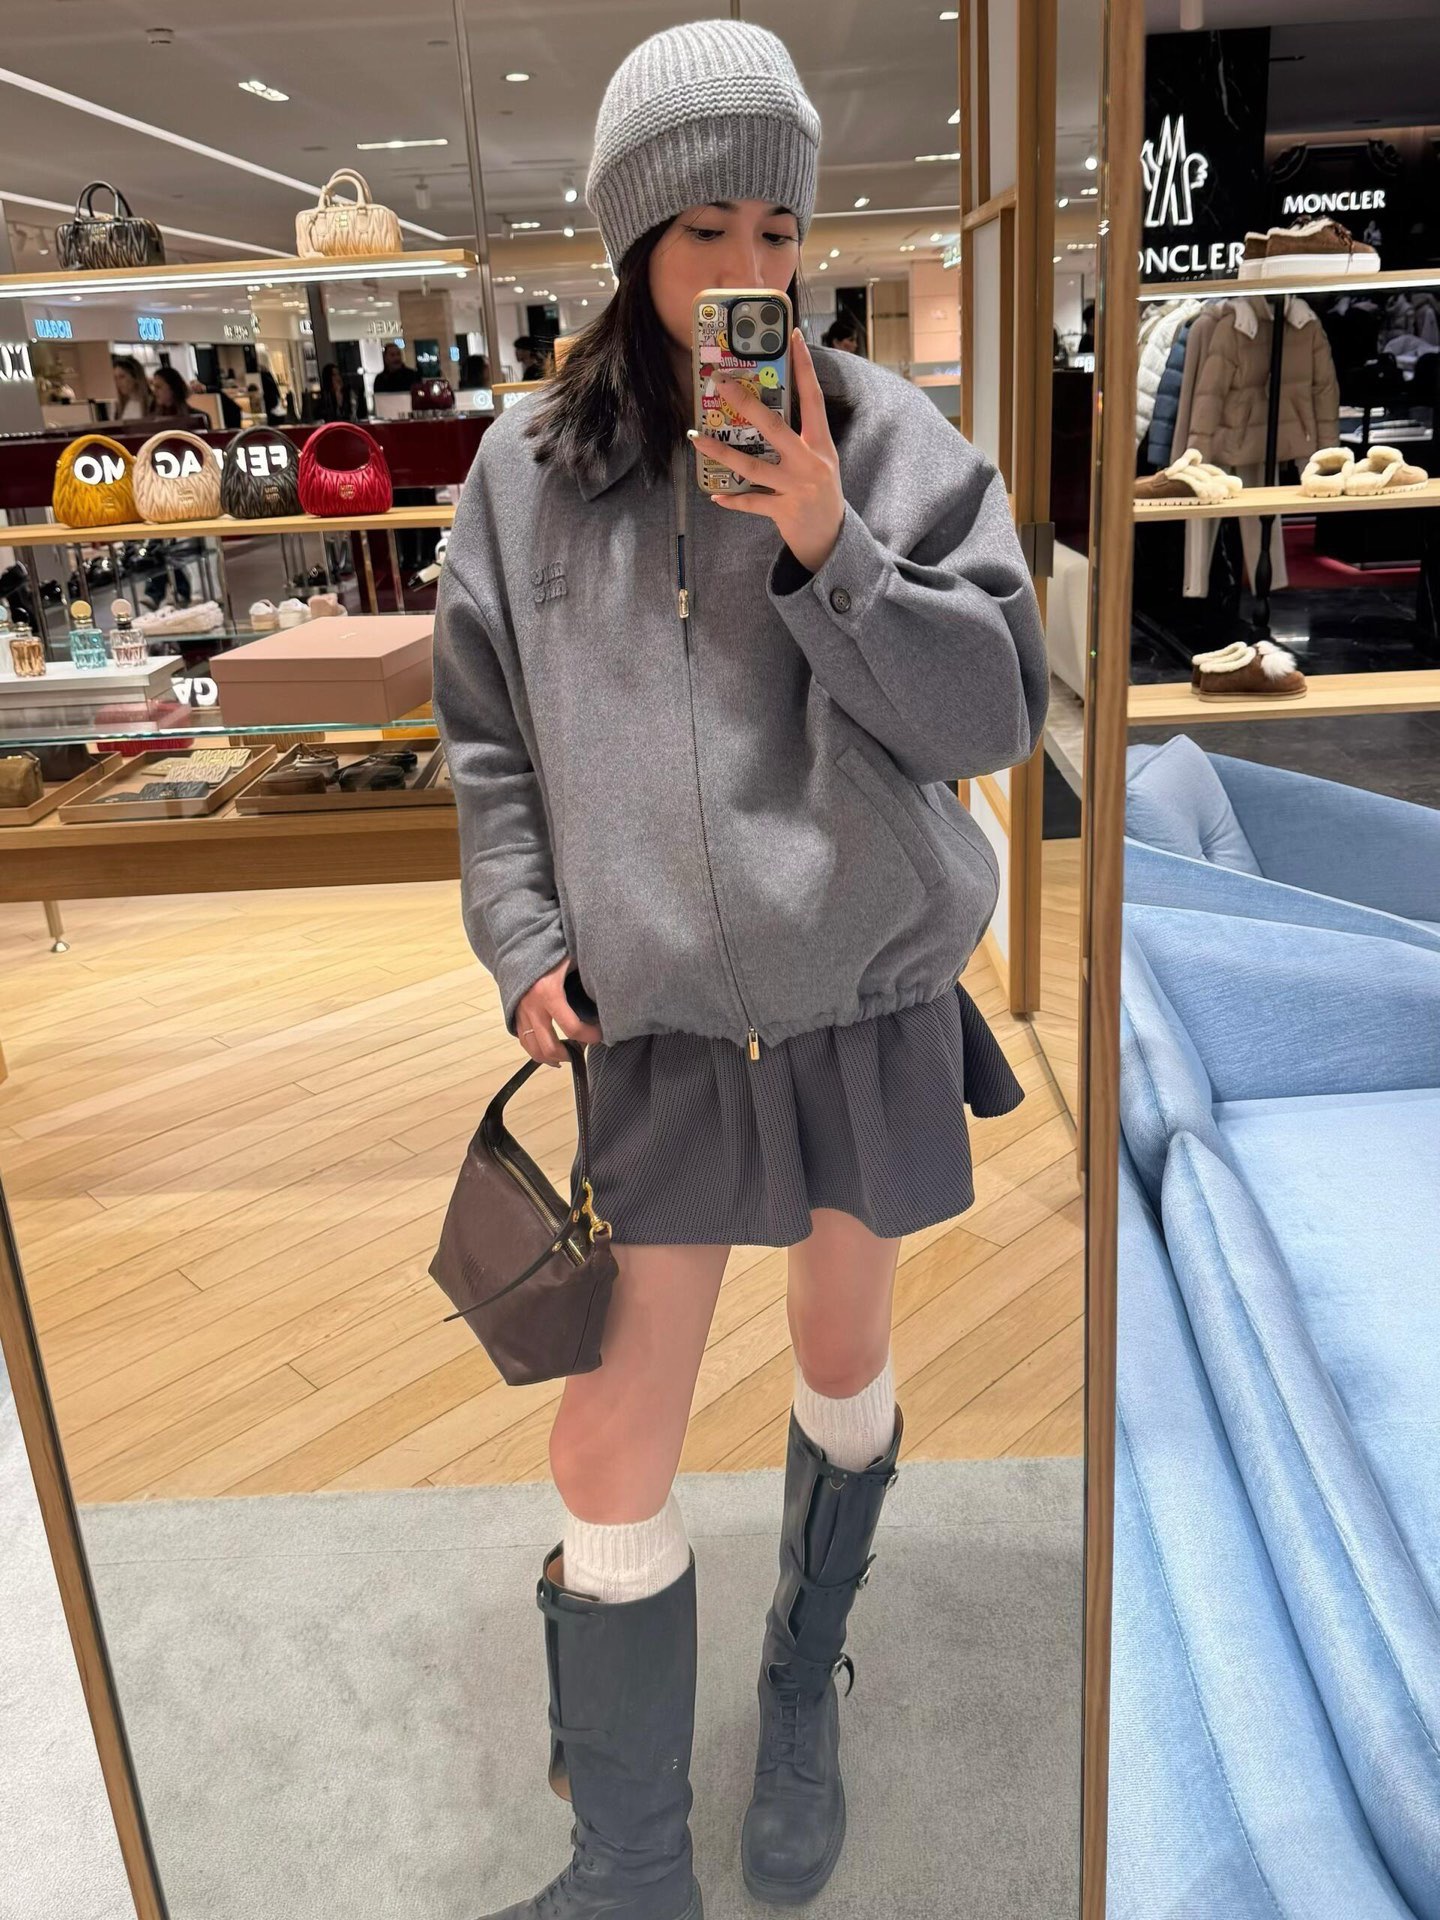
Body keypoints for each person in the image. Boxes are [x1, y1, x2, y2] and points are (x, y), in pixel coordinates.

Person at [431, 22, 1047, 1920]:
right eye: (705, 232)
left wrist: (829, 542)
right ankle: (632, 1870)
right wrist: (525, 939)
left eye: (777, 230)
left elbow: (998, 715)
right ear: (633, 244)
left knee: (841, 1355)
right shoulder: (525, 477)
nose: (748, 271)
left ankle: (799, 1690)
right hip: (666, 1025)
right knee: (608, 1421)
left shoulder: (889, 442)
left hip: (861, 994)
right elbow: (489, 743)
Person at [110, 355, 152, 422]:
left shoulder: (151, 403)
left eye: (122, 377)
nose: (117, 382)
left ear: (135, 377)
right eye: (115, 378)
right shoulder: (117, 406)